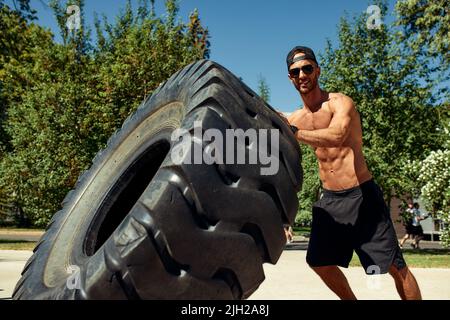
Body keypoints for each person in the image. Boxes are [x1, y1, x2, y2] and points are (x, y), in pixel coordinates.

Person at [279, 46, 422, 300]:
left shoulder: (340, 102)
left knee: (394, 267)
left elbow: (337, 136)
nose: (302, 75)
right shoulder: (296, 119)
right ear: (290, 77)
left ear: (318, 70)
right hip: (331, 200)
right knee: (318, 261)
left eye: (307, 68)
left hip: (362, 195)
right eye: (295, 71)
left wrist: (294, 133)